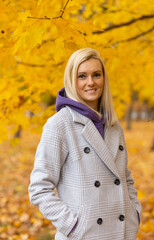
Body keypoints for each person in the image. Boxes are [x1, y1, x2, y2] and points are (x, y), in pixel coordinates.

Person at [28, 48, 142, 240]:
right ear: (72, 80)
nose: (91, 82)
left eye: (96, 75)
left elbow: (124, 177)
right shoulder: (60, 125)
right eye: (82, 76)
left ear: (103, 79)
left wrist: (134, 214)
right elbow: (39, 188)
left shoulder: (114, 126)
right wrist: (74, 227)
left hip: (122, 232)